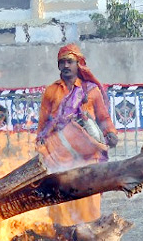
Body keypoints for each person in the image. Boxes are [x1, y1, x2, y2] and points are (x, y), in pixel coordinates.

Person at [35, 43, 119, 226]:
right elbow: (43, 125)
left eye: (70, 61)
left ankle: (89, 240)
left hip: (87, 155)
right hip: (59, 156)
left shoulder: (91, 91)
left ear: (78, 64)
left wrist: (110, 133)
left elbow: (103, 118)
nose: (66, 66)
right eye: (62, 62)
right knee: (61, 201)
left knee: (88, 201)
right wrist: (41, 147)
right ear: (58, 66)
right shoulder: (51, 91)